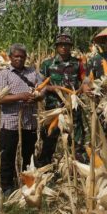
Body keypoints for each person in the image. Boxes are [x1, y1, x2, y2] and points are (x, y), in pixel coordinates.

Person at [0, 43, 45, 195]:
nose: (19, 59)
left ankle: (28, 184)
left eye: (22, 57)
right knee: (7, 155)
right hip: (10, 122)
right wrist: (20, 97)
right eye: (16, 56)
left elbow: (42, 90)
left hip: (29, 122)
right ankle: (6, 187)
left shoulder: (33, 73)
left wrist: (36, 98)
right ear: (10, 57)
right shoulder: (4, 74)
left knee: (28, 155)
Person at [39, 33, 85, 165]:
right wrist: (51, 88)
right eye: (61, 45)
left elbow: (85, 81)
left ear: (71, 47)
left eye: (67, 45)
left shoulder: (78, 63)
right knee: (49, 138)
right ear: (56, 47)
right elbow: (41, 84)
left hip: (72, 108)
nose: (64, 47)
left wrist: (78, 92)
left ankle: (76, 168)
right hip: (53, 108)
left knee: (76, 140)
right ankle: (45, 165)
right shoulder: (47, 64)